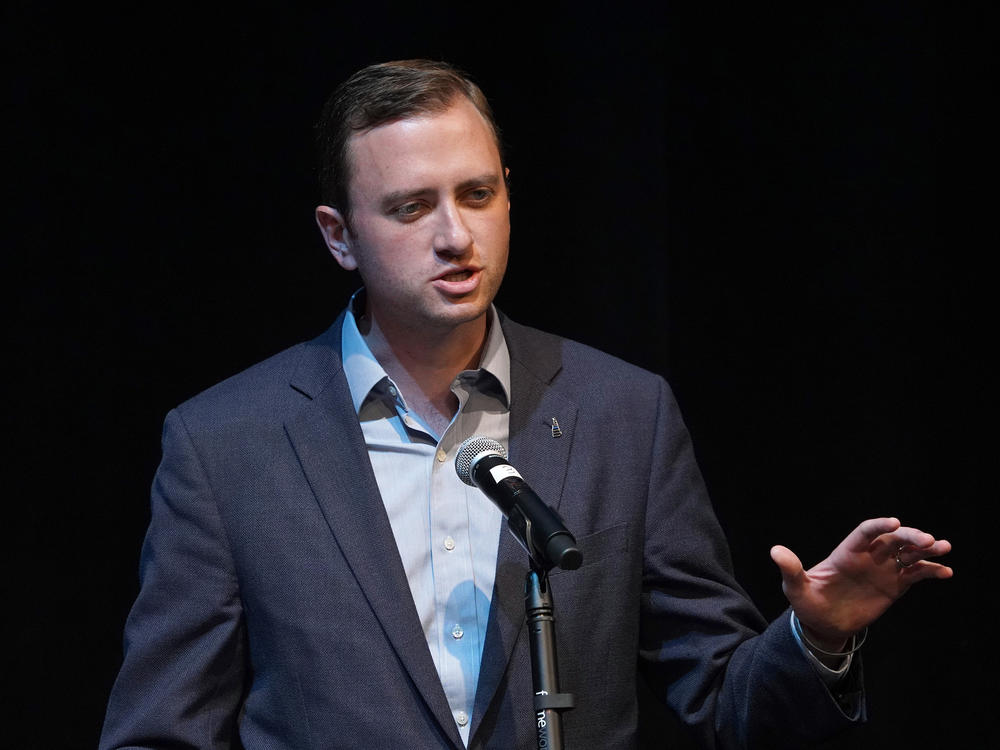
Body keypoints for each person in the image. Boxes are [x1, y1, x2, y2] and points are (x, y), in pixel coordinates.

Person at [99, 59, 952, 749]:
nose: (455, 236)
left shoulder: (623, 414)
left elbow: (726, 707)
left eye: (477, 195)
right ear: (338, 235)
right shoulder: (227, 444)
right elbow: (159, 733)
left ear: (508, 193)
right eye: (410, 207)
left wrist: (817, 642)